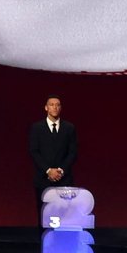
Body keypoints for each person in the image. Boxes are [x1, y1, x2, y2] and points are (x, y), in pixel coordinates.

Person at [29, 95, 78, 227]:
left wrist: (61, 170)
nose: (55, 107)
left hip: (64, 178)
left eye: (57, 105)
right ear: (46, 108)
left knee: (65, 214)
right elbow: (34, 151)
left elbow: (72, 152)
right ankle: (44, 238)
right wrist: (48, 170)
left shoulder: (69, 128)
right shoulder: (37, 127)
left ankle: (62, 239)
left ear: (60, 108)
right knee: (44, 213)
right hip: (43, 178)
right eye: (51, 105)